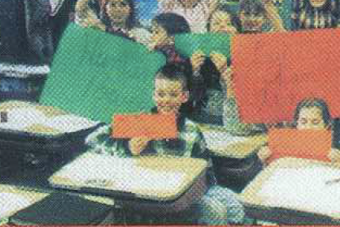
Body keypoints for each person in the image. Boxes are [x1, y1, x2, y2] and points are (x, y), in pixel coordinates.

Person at [85, 64, 244, 225]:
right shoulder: (141, 122)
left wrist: (195, 189)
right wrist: (128, 147)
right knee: (214, 211)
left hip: (185, 195)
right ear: (154, 95)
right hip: (149, 195)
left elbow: (207, 173)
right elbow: (93, 138)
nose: (166, 100)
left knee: (235, 207)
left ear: (184, 97)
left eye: (173, 95)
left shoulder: (191, 130)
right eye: (161, 94)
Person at [257, 98, 340, 164]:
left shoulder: (331, 148)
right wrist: (264, 158)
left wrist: (338, 163)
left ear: (326, 125)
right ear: (297, 123)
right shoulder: (283, 141)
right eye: (303, 122)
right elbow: (272, 167)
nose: (308, 127)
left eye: (315, 122)